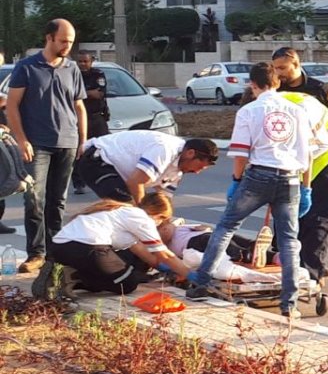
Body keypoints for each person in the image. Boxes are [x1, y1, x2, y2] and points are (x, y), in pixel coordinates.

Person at [186, 63, 313, 319]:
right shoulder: (297, 111)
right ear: (277, 82)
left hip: (258, 176)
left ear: (253, 85)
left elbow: (241, 153)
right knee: (289, 239)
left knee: (226, 226)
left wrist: (236, 180)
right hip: (290, 178)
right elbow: (307, 153)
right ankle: (289, 304)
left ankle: (201, 282)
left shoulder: (249, 111)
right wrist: (306, 187)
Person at [4, 19, 86, 274]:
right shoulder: (26, 68)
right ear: (49, 38)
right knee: (35, 200)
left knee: (57, 201)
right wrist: (22, 139)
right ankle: (36, 253)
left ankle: (55, 253)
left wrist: (83, 140)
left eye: (70, 42)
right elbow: (12, 106)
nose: (67, 46)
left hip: (68, 143)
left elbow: (79, 106)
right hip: (37, 144)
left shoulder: (72, 68)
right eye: (63, 41)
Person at [270, 46, 328, 284]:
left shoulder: (318, 89)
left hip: (323, 161)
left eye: (282, 68)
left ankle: (313, 269)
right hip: (291, 164)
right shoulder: (276, 89)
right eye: (275, 68)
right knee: (290, 216)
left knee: (321, 215)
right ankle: (286, 267)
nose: (278, 73)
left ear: (296, 64)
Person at [32, 192, 193, 301]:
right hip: (88, 248)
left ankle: (59, 276)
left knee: (120, 268)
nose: (160, 224)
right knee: (128, 283)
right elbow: (163, 253)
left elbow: (145, 253)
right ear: (160, 215)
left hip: (60, 248)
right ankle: (69, 277)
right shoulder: (142, 218)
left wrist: (166, 269)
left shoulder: (121, 211)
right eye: (163, 220)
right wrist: (190, 274)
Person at [74, 131, 219, 202]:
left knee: (140, 215)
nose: (198, 172)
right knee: (128, 207)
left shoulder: (178, 170)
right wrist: (144, 214)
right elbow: (135, 182)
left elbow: (163, 200)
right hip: (97, 160)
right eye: (200, 166)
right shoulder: (165, 150)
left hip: (115, 170)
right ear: (190, 153)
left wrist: (164, 222)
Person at [74, 51, 109, 194]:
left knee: (104, 149)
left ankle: (105, 179)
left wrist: (81, 93)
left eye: (85, 61)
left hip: (96, 118)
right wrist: (89, 92)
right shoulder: (72, 74)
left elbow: (99, 93)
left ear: (91, 61)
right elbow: (70, 94)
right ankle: (78, 183)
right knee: (79, 151)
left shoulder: (98, 74)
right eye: (80, 61)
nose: (82, 64)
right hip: (77, 119)